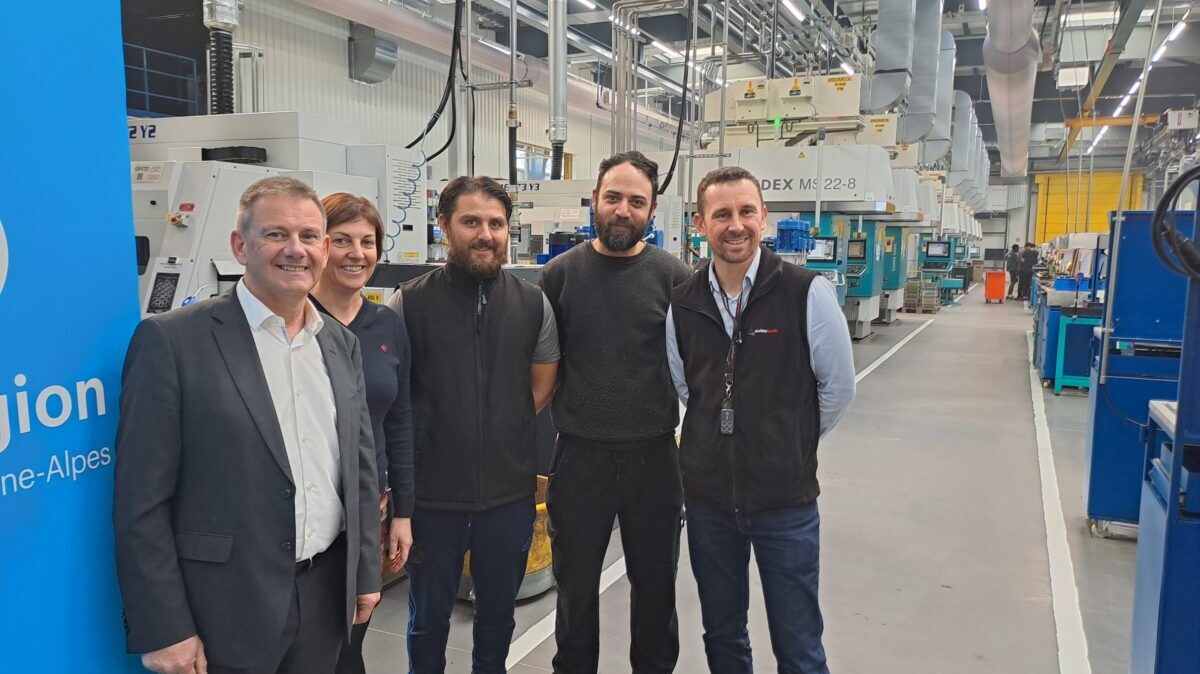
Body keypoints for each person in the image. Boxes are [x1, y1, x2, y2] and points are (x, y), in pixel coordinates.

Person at [114, 176, 382, 674]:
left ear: (324, 249)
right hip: (223, 608)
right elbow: (141, 501)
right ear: (240, 246)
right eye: (276, 234)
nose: (295, 249)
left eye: (308, 236)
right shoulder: (172, 342)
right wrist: (165, 627)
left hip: (325, 598)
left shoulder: (339, 343)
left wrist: (364, 572)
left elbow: (360, 467)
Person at [665, 166, 856, 674]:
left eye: (746, 211)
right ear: (700, 224)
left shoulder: (806, 293)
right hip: (708, 502)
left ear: (764, 217)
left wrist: (787, 441)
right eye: (721, 214)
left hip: (784, 504)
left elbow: (838, 388)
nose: (736, 225)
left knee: (798, 643)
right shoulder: (683, 303)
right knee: (722, 634)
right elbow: (688, 388)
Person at [385, 176, 559, 674]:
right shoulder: (408, 303)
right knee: (427, 620)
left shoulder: (532, 304)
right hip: (432, 499)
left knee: (498, 617)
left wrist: (499, 425)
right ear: (444, 226)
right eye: (471, 222)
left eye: (496, 224)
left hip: (508, 496)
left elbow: (541, 385)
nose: (485, 234)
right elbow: (395, 396)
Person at [538, 151, 694, 674]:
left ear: (652, 210)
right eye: (613, 197)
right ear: (595, 200)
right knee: (574, 586)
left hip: (655, 459)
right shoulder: (559, 276)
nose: (623, 209)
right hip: (580, 458)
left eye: (636, 201)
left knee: (656, 585)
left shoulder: (674, 277)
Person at [309, 193, 415, 674]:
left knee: (352, 642)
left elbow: (400, 421)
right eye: (342, 240)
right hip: (303, 514)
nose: (357, 253)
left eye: (367, 242)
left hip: (368, 510)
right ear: (320, 246)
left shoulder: (386, 325)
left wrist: (403, 512)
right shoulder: (296, 321)